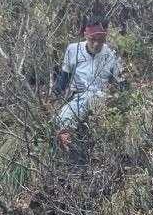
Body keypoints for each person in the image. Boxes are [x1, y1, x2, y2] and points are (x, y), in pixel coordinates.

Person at [53, 20, 124, 149]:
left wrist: (118, 98)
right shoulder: (73, 50)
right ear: (86, 35)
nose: (96, 44)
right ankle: (67, 141)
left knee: (79, 106)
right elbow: (64, 77)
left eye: (100, 40)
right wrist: (55, 96)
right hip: (76, 95)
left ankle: (67, 133)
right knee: (59, 117)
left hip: (101, 96)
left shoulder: (111, 53)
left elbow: (120, 82)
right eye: (92, 39)